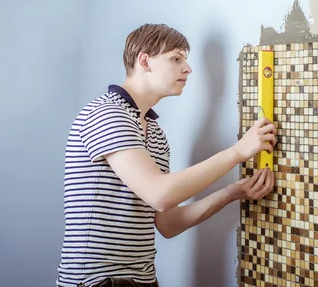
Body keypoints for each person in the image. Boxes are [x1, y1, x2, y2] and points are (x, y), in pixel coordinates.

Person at [56, 24, 277, 287]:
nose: (188, 68)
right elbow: (160, 195)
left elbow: (168, 223)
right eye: (176, 58)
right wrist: (238, 152)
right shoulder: (107, 114)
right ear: (145, 61)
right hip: (96, 282)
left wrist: (232, 193)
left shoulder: (156, 134)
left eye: (186, 59)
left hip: (145, 281)